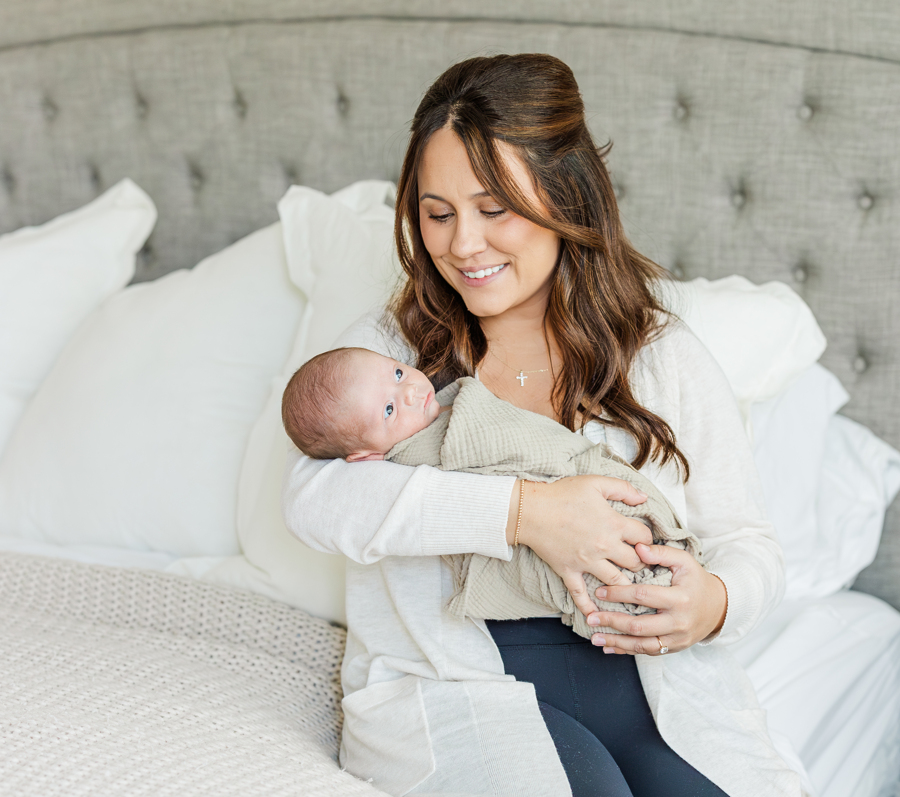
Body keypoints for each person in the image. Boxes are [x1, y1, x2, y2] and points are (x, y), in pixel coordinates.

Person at [282, 54, 798, 797]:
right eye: (438, 213)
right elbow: (314, 501)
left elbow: (750, 545)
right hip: (457, 682)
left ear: (569, 199)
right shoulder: (394, 354)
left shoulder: (660, 356)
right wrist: (525, 513)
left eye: (495, 210)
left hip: (648, 688)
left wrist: (712, 603)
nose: (463, 245)